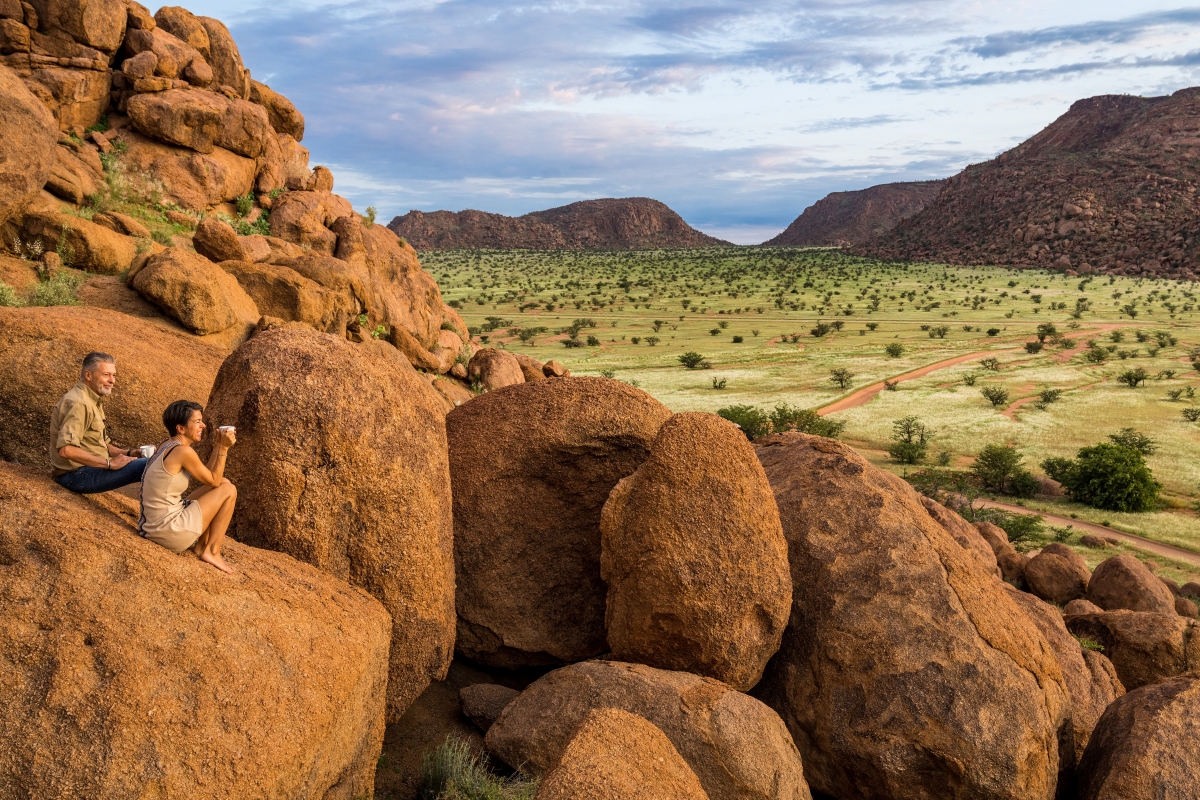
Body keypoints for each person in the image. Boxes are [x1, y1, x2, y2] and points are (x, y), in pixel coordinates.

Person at [140, 400, 238, 574]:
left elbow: (210, 478)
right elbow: (213, 481)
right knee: (229, 490)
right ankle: (212, 551)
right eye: (197, 421)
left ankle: (202, 547)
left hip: (154, 526)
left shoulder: (168, 444)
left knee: (224, 483)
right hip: (168, 531)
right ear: (181, 428)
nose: (203, 425)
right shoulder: (183, 452)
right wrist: (224, 448)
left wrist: (217, 446)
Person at [51, 351, 150, 494]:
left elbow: (99, 445)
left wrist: (130, 453)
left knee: (157, 461)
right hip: (75, 476)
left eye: (114, 375)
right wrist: (109, 464)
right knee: (157, 464)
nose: (112, 380)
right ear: (88, 375)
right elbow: (67, 450)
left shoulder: (92, 399)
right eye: (106, 375)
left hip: (87, 470)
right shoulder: (79, 403)